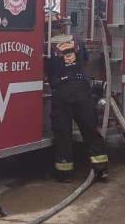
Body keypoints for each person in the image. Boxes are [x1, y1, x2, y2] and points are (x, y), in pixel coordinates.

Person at [46, 34, 109, 181]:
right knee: (90, 129)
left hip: (62, 92)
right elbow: (85, 60)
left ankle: (64, 173)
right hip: (82, 90)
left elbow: (47, 70)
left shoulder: (48, 45)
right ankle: (101, 170)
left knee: (63, 134)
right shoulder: (78, 41)